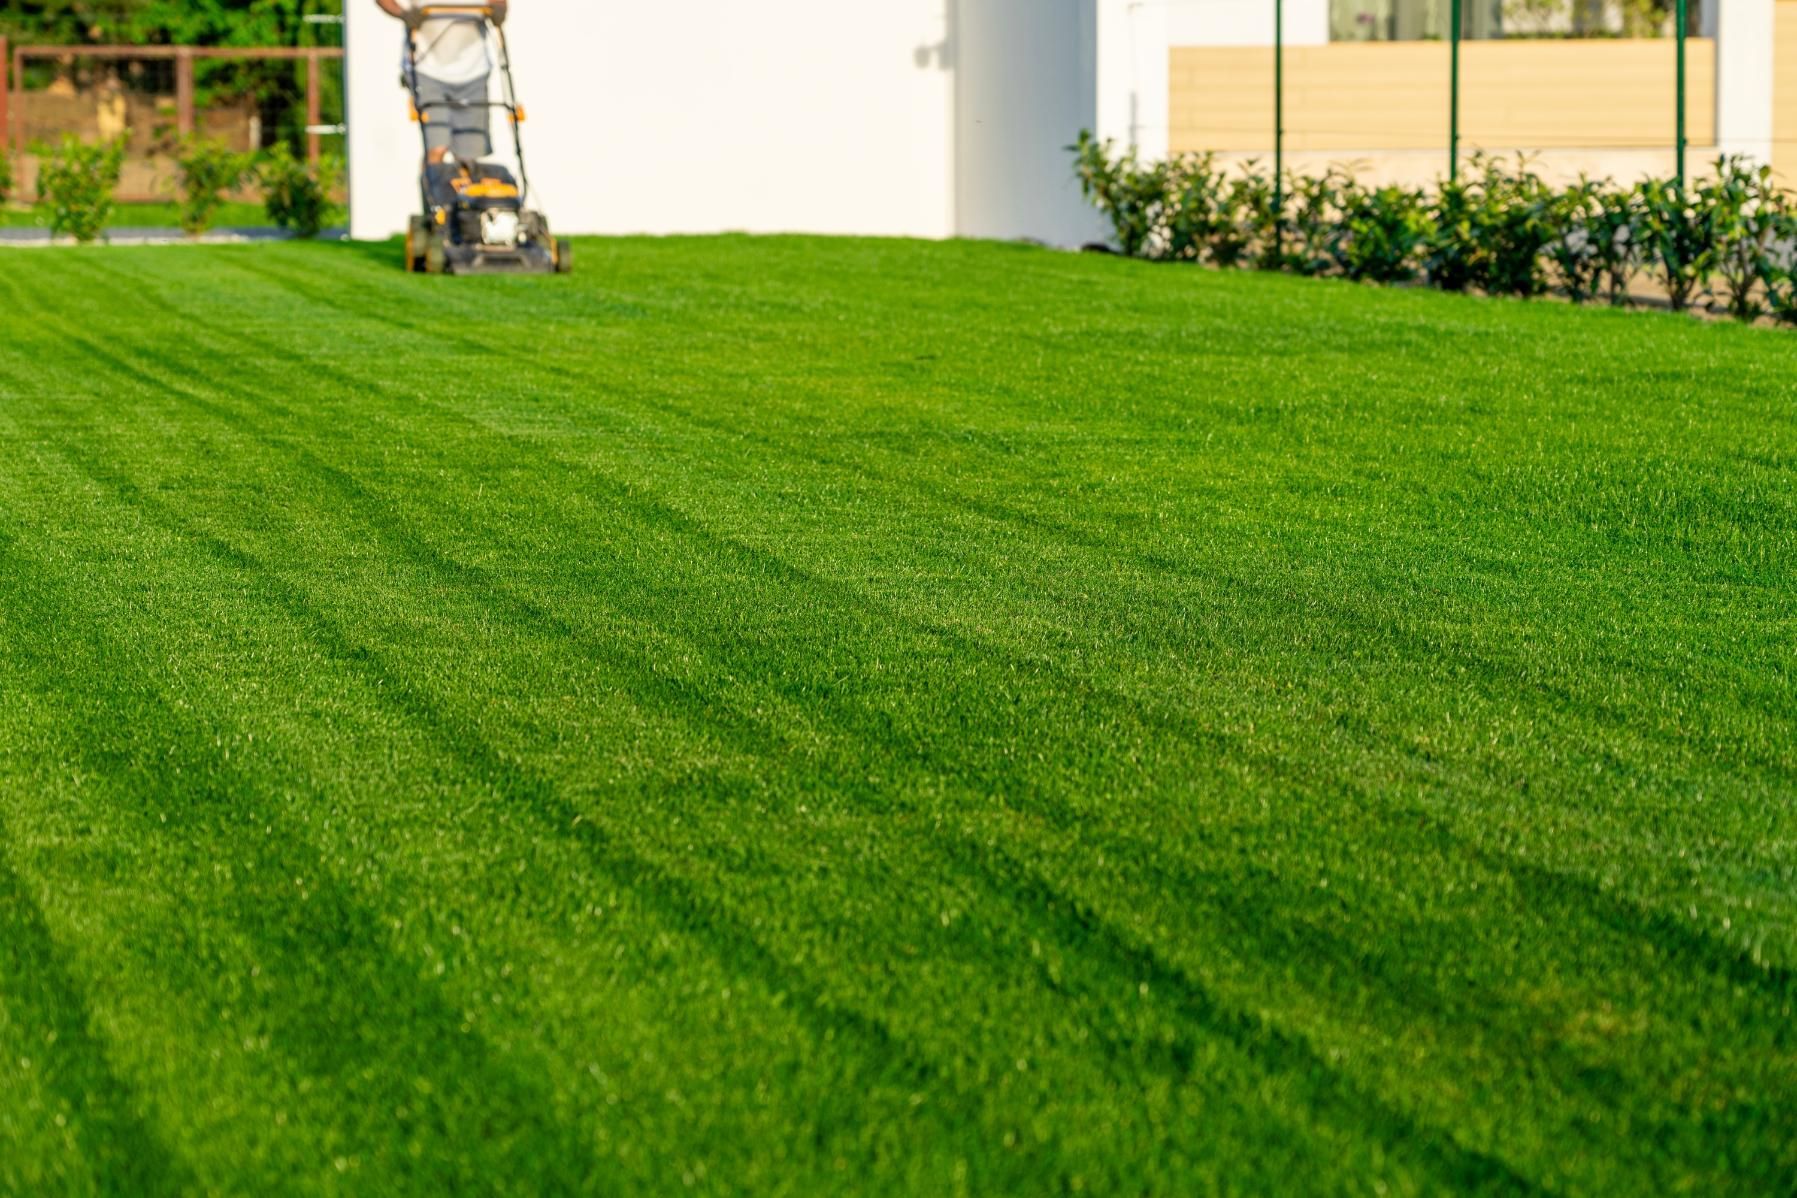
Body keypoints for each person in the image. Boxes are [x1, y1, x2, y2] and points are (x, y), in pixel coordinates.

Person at [376, 0, 509, 164]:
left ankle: (464, 188)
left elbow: (499, 3)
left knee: (468, 156)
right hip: (427, 70)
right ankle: (431, 186)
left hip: (474, 70)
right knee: (436, 148)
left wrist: (499, 11)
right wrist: (403, 14)